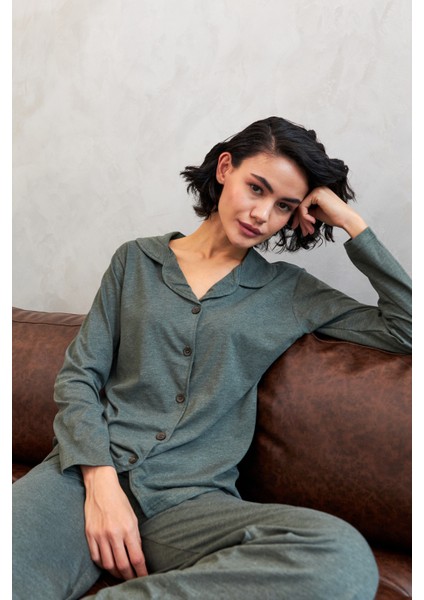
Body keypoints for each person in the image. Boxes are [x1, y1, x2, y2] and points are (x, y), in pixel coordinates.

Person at [13, 116, 412, 600]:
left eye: (284, 206)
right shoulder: (135, 261)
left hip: (190, 505)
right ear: (225, 169)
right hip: (79, 481)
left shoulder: (288, 292)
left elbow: (407, 328)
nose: (262, 214)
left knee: (341, 558)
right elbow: (80, 376)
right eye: (256, 188)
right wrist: (101, 486)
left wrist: (350, 222)